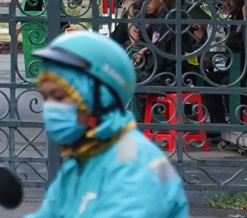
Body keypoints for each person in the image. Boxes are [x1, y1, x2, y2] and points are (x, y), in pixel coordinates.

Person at [25, 30, 188, 218]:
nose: (50, 108)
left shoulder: (133, 167)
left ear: (101, 97)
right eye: (46, 98)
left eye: (59, 97)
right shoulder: (82, 160)